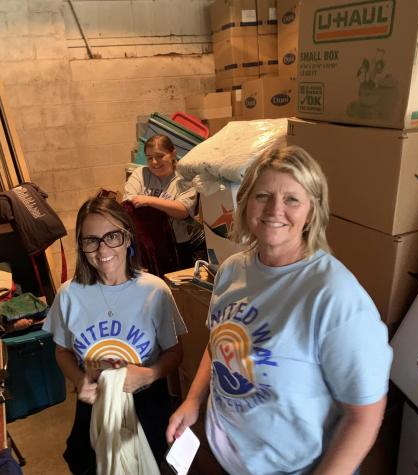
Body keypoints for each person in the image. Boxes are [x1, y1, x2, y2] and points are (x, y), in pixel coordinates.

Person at [166, 146, 392, 475]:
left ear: (312, 211)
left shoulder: (335, 296)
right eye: (263, 196)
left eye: (292, 199)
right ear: (245, 204)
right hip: (224, 454)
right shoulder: (232, 270)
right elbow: (221, 341)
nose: (275, 209)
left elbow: (365, 415)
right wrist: (193, 400)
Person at [43, 196, 186, 474]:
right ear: (81, 246)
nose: (102, 249)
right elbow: (62, 351)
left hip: (147, 404)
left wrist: (149, 374)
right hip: (95, 403)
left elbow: (175, 352)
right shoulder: (69, 295)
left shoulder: (154, 291)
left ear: (128, 238)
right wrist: (79, 379)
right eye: (91, 240)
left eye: (112, 236)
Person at [124, 134, 202, 268]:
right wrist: (164, 206)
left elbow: (182, 210)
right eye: (149, 158)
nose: (154, 162)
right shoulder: (140, 174)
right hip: (145, 246)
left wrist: (148, 200)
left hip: (176, 246)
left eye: (160, 156)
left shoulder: (185, 179)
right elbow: (128, 203)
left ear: (173, 154)